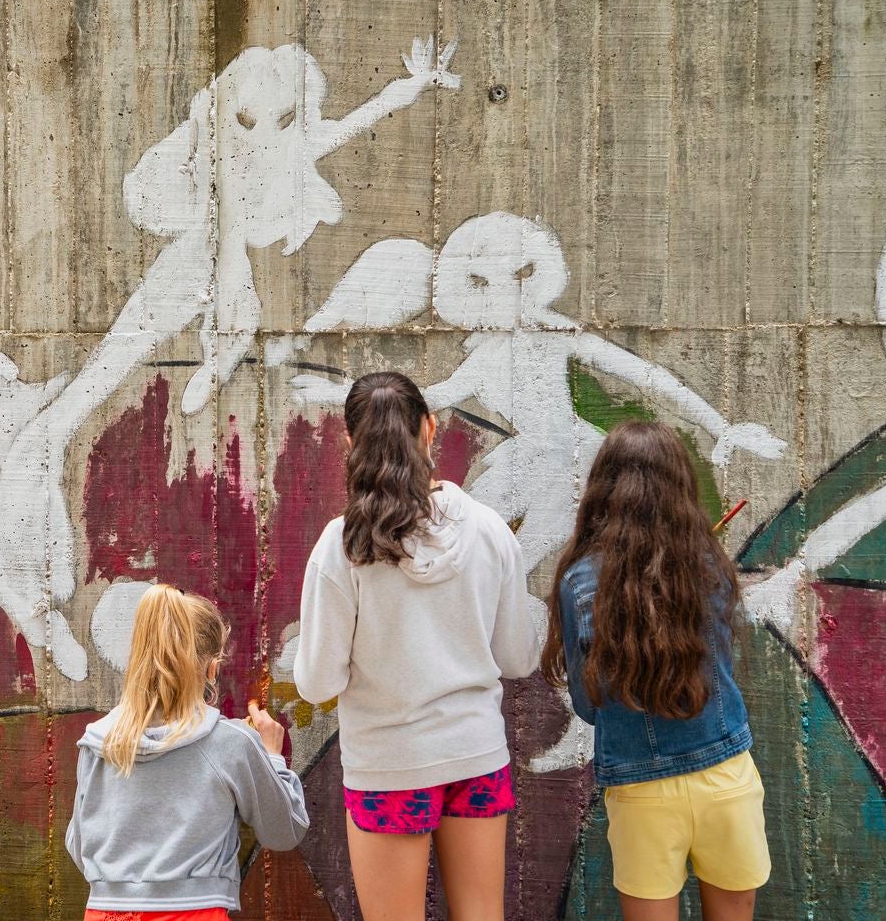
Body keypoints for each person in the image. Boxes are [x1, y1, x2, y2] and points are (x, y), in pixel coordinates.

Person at [294, 370, 540, 920]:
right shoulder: (489, 530)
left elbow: (317, 684)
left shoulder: (342, 546)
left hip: (389, 767)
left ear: (351, 442)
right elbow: (519, 659)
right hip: (476, 756)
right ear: (430, 430)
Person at [541, 421, 770, 920]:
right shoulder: (707, 563)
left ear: (603, 491)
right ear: (679, 486)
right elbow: (723, 667)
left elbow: (587, 704)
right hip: (724, 773)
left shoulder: (581, 580)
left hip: (641, 788)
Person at [65, 584, 309, 920]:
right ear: (211, 668)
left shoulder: (98, 741)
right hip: (193, 913)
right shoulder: (229, 743)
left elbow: (79, 845)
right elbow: (285, 830)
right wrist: (272, 757)